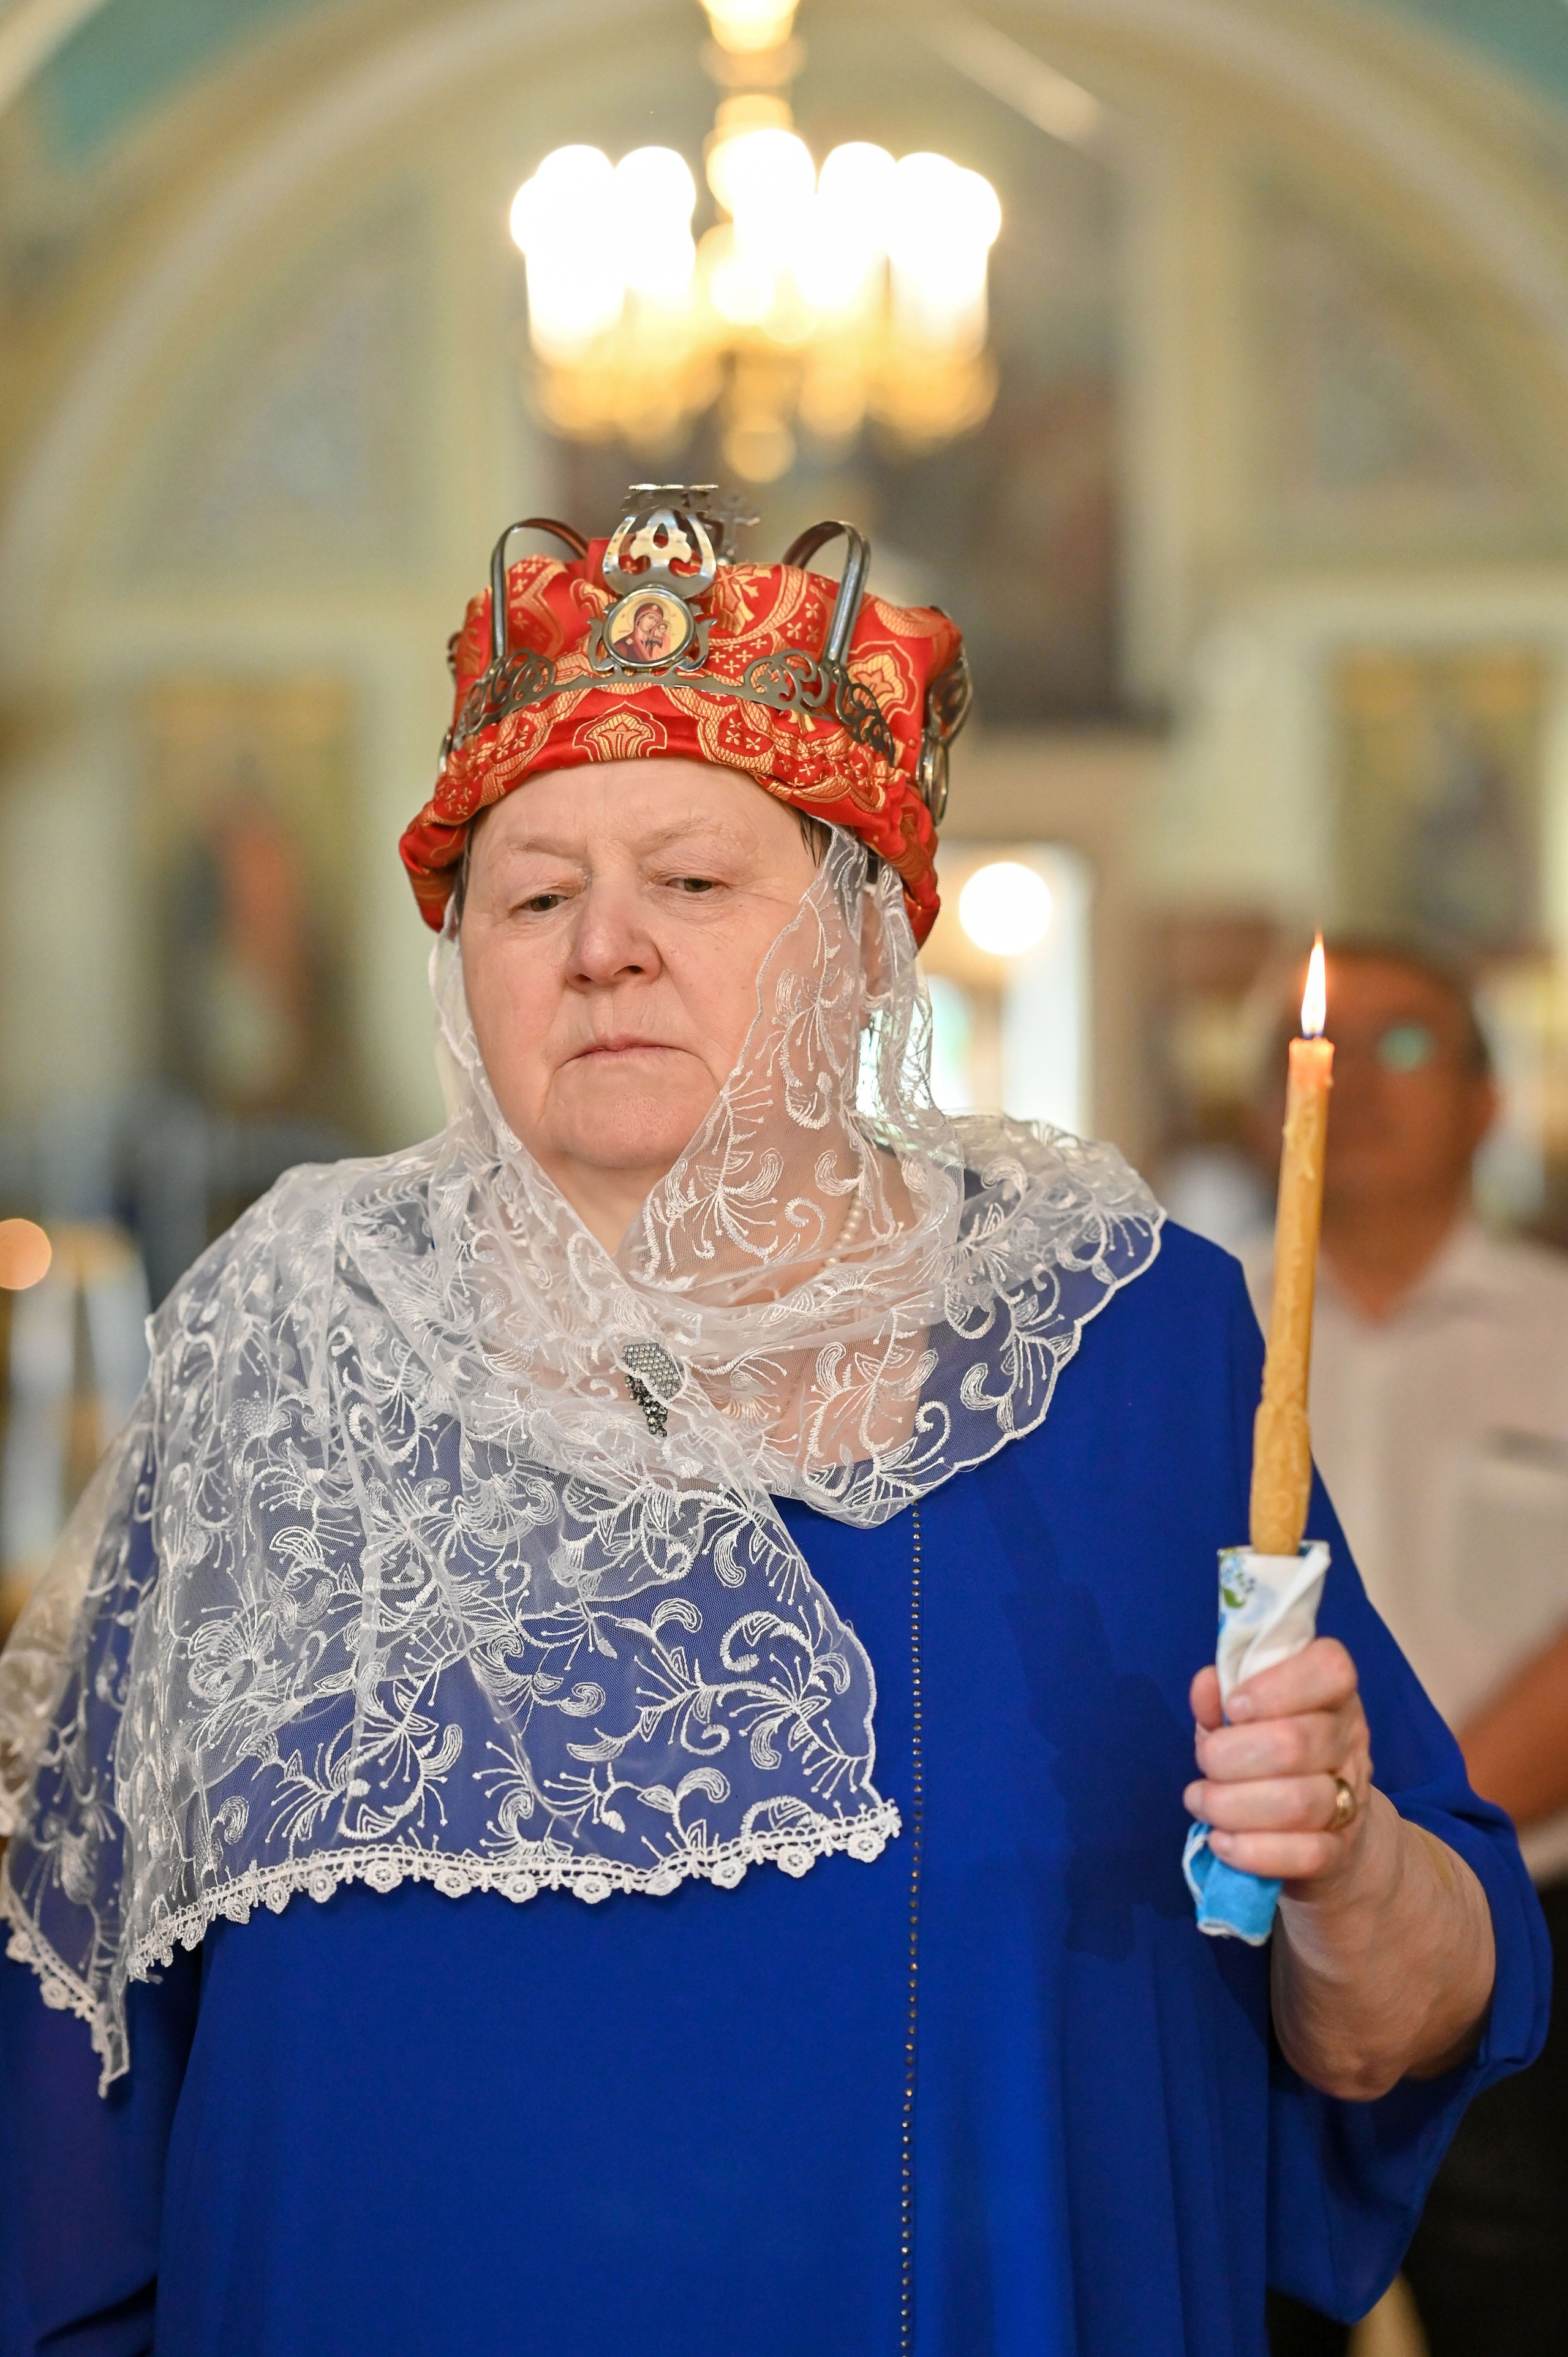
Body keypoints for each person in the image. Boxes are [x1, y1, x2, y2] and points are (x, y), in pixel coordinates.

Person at [0, 495, 1547, 2357]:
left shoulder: (1134, 1341)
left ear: (871, 942)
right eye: (537, 891)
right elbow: (70, 2038)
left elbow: (1390, 2018)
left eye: (698, 883)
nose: (606, 949)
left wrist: (1352, 1867)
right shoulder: (282, 1337)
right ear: (462, 956)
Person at [1242, 941, 1568, 2357]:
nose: (1358, 1084)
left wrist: (1410, 1825)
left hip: (1531, 1910)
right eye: (1324, 1049)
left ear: (1491, 1100)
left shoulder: (1553, 1332)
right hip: (1245, 1929)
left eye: (1411, 1048)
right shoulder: (1203, 1325)